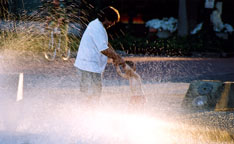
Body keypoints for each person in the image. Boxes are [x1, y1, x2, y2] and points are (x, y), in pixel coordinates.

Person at [74, 6, 125, 103]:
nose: (112, 24)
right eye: (112, 21)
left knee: (94, 94)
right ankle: (87, 114)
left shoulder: (98, 26)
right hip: (88, 67)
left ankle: (89, 113)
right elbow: (104, 50)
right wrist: (118, 58)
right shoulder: (97, 28)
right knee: (90, 95)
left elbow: (106, 44)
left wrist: (116, 57)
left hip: (90, 67)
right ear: (106, 18)